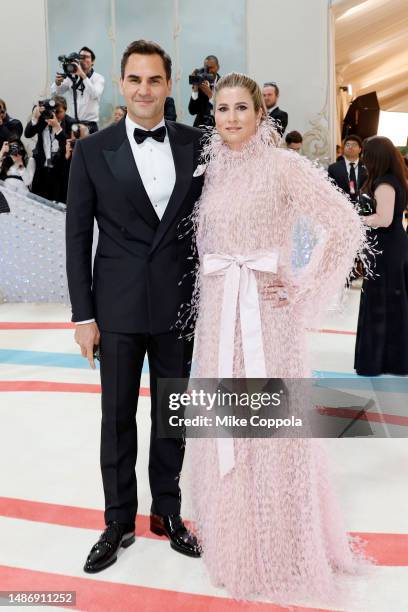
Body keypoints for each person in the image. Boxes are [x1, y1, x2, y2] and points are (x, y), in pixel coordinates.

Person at [187, 73, 371, 604]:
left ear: (261, 114)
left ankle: (284, 549)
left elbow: (344, 224)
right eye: (221, 108)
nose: (230, 118)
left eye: (241, 107)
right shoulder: (214, 171)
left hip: (269, 321)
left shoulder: (284, 166)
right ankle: (236, 546)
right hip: (221, 318)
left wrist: (306, 284)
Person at [66, 39, 204, 573]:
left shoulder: (198, 144)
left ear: (168, 85)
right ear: (121, 85)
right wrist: (84, 316)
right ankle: (118, 517)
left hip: (177, 306)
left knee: (173, 415)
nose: (144, 89)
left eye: (154, 80)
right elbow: (77, 238)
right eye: (134, 79)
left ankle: (167, 511)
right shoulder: (94, 151)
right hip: (117, 309)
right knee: (117, 417)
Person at [354, 136, 408, 375]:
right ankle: (390, 359)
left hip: (388, 248)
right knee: (388, 303)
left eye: (367, 154)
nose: (363, 158)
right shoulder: (387, 180)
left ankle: (380, 360)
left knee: (382, 303)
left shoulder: (385, 183)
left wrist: (358, 219)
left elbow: (383, 219)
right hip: (389, 246)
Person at [24, 96, 74, 202]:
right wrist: (34, 118)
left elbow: (69, 145)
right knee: (36, 200)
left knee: (55, 203)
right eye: (53, 111)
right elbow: (28, 134)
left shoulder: (70, 123)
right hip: (41, 167)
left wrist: (57, 128)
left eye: (59, 112)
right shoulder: (44, 118)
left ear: (65, 110)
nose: (55, 115)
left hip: (58, 171)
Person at [51, 46, 104, 133]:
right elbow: (56, 92)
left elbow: (95, 95)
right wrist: (57, 82)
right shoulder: (71, 77)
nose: (83, 59)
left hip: (89, 125)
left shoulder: (98, 78)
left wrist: (82, 75)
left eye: (86, 57)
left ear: (93, 61)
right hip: (72, 124)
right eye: (81, 57)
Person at [328, 134, 367, 202]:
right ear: (343, 149)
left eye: (354, 145)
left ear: (360, 149)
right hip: (341, 206)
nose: (350, 147)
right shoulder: (333, 168)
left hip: (365, 207)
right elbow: (330, 191)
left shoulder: (367, 168)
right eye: (347, 145)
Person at [188, 55, 220, 128]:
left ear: (217, 67)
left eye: (211, 68)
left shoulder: (224, 84)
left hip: (218, 128)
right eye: (206, 68)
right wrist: (195, 90)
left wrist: (210, 95)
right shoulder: (201, 83)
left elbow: (224, 110)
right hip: (200, 128)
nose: (208, 71)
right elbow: (192, 111)